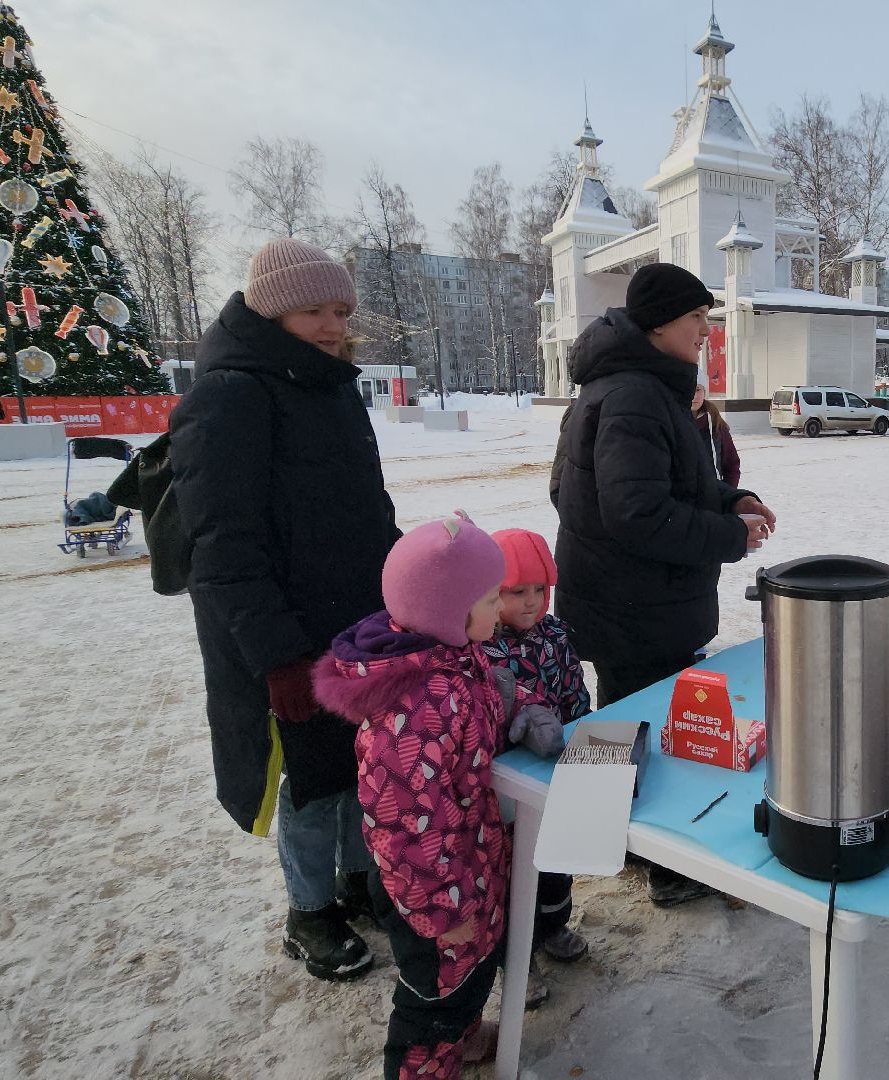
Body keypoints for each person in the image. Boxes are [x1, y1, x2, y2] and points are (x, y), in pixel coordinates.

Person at [170, 237, 403, 982]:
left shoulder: (328, 386)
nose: (334, 325)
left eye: (340, 310)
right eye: (313, 311)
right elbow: (223, 547)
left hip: (356, 624)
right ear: (272, 310)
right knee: (310, 783)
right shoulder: (229, 395)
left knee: (363, 766)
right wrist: (277, 657)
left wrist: (408, 584)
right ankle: (310, 913)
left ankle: (360, 883)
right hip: (290, 633)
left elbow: (368, 510)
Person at [552, 261, 776, 905]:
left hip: (633, 601)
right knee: (635, 728)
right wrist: (728, 537)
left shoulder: (639, 387)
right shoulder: (633, 396)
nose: (706, 329)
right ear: (658, 325)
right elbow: (636, 514)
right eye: (696, 317)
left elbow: (669, 486)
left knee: (622, 725)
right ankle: (658, 864)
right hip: (635, 605)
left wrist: (732, 501)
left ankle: (609, 842)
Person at [314, 514, 549, 1079]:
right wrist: (440, 914)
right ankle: (430, 1058)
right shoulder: (415, 712)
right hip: (432, 891)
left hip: (470, 858)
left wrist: (521, 709)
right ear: (449, 608)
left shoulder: (453, 657)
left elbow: (480, 712)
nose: (501, 610)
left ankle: (463, 1038)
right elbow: (403, 832)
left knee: (468, 977)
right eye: (492, 598)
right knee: (431, 1008)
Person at [483, 527, 593, 1001]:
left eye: (538, 591)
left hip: (558, 764)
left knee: (556, 857)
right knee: (515, 868)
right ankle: (518, 962)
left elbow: (573, 687)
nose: (530, 603)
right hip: (510, 777)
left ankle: (553, 927)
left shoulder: (554, 634)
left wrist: (582, 728)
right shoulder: (483, 648)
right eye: (516, 592)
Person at [691, 381, 741, 487]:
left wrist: (727, 496)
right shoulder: (672, 423)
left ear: (705, 392)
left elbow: (732, 465)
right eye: (689, 389)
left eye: (698, 389)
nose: (694, 395)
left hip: (713, 497)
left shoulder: (716, 424)